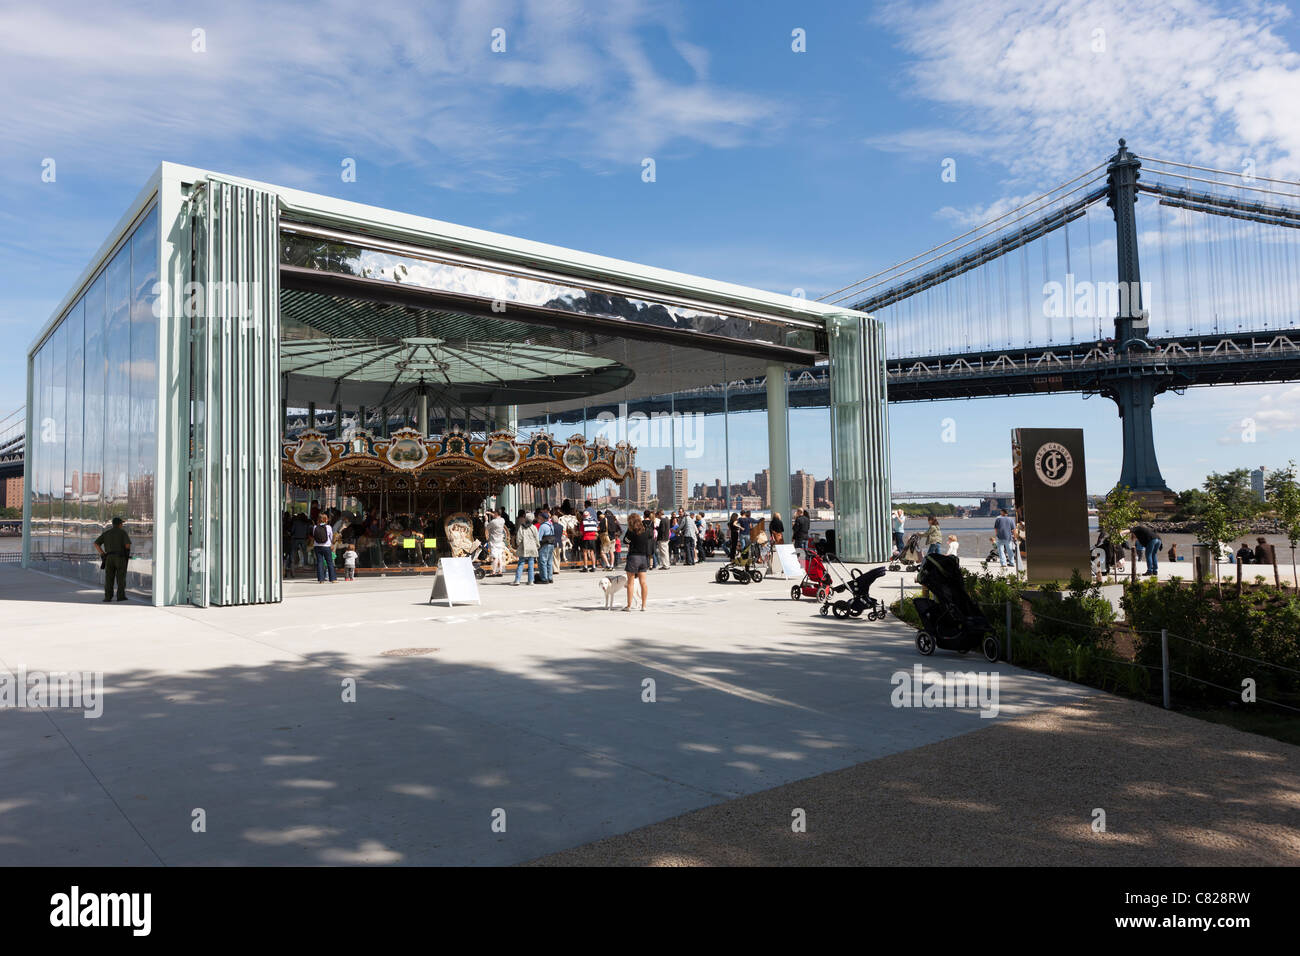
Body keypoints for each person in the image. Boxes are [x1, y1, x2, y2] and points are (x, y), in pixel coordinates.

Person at [93, 516, 132, 602]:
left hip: (109, 558)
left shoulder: (107, 533)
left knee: (109, 578)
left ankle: (108, 597)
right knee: (121, 578)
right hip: (120, 557)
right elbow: (127, 545)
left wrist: (102, 554)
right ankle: (120, 596)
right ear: (120, 524)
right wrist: (126, 555)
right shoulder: (122, 533)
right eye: (122, 523)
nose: (122, 525)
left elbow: (96, 543)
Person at [622, 512, 653, 611]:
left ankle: (629, 605)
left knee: (630, 583)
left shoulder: (631, 531)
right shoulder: (646, 530)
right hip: (643, 558)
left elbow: (625, 541)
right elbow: (650, 536)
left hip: (633, 557)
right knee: (643, 582)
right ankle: (644, 605)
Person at [513, 510, 539, 585]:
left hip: (523, 547)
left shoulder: (522, 527)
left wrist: (518, 544)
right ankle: (531, 580)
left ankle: (517, 580)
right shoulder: (534, 527)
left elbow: (519, 538)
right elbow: (537, 538)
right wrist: (537, 545)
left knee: (521, 563)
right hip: (532, 547)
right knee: (531, 564)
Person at [312, 513, 336, 583]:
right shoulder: (328, 527)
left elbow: (314, 536)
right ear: (326, 519)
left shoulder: (315, 527)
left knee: (320, 562)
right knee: (329, 562)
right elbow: (331, 537)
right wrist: (331, 543)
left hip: (317, 546)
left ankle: (321, 580)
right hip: (326, 546)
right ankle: (332, 579)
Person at [536, 510, 556, 583]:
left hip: (544, 545)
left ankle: (544, 578)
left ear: (543, 519)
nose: (538, 520)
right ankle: (550, 577)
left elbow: (539, 538)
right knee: (549, 561)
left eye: (539, 518)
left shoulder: (543, 526)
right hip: (551, 544)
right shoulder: (551, 525)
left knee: (543, 561)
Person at [487, 510, 507, 577]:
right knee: (500, 556)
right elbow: (497, 517)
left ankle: (493, 572)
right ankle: (500, 571)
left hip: (494, 541)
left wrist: (486, 520)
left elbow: (487, 527)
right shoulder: (502, 520)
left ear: (496, 513)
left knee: (495, 557)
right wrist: (491, 513)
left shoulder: (493, 522)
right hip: (500, 540)